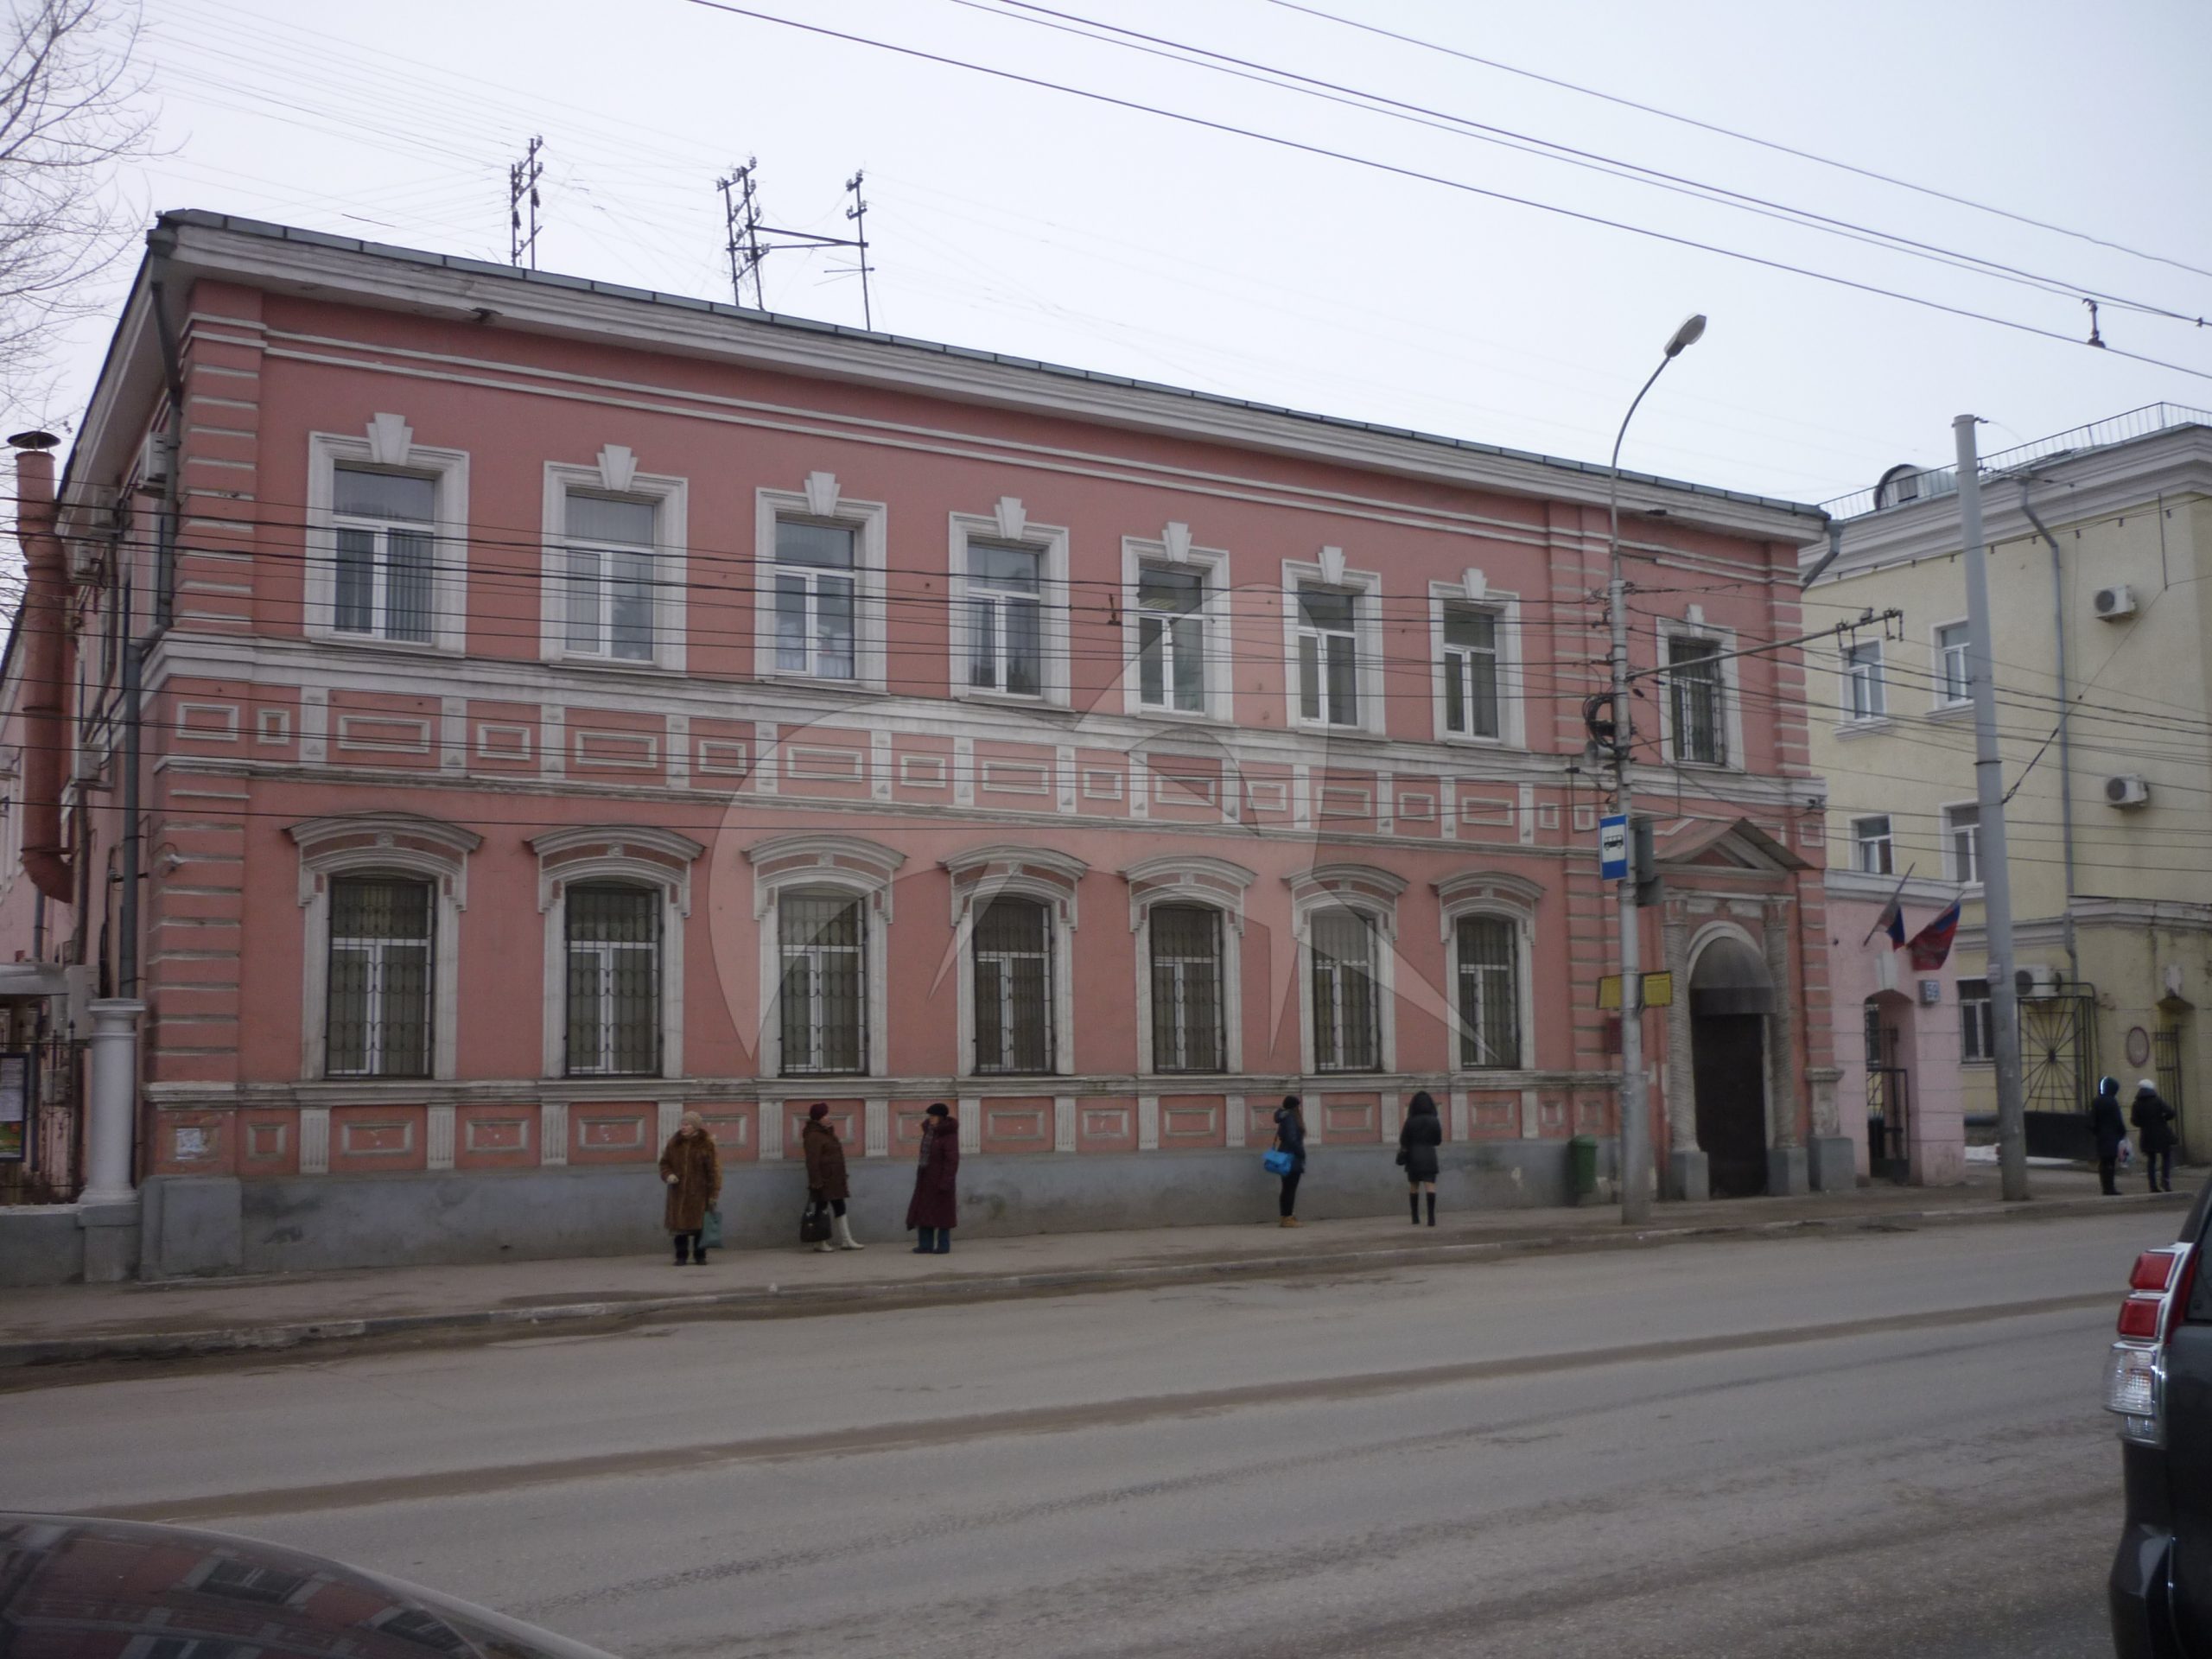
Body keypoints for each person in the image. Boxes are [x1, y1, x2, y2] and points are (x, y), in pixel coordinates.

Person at [658, 1110, 721, 1266]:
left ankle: (700, 1256)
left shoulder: (706, 1144)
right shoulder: (674, 1143)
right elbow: (664, 1163)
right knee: (679, 1229)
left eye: (687, 1124)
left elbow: (714, 1170)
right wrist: (668, 1175)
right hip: (678, 1194)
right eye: (682, 1124)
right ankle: (681, 1256)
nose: (683, 1127)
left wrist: (714, 1193)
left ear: (695, 1127)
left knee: (700, 1227)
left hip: (700, 1194)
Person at [802, 1103, 863, 1253]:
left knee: (839, 1206)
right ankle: (820, 1242)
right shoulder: (814, 1136)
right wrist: (816, 1181)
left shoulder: (827, 1133)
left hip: (834, 1178)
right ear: (818, 1118)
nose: (828, 1117)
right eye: (825, 1115)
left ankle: (846, 1239)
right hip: (823, 1180)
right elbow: (812, 1161)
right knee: (821, 1209)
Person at [906, 1103, 959, 1254]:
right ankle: (925, 1245)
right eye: (930, 1116)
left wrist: (946, 1181)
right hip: (926, 1178)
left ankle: (943, 1246)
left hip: (941, 1180)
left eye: (933, 1116)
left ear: (941, 1117)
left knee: (943, 1215)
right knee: (924, 1212)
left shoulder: (949, 1135)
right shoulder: (930, 1132)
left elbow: (952, 1160)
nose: (930, 1119)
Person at [1400, 1090, 1443, 1226]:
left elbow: (1403, 1140)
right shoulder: (1434, 1120)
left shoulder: (1410, 1121)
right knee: (1430, 1186)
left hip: (1413, 1156)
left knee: (1414, 1186)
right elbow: (1438, 1141)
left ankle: (1415, 1217)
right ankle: (1431, 1218)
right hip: (1429, 1156)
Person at [2132, 1078, 2178, 1194]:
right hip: (2162, 1133)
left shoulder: (2136, 1103)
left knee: (2151, 1160)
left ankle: (2153, 1186)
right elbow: (2171, 1112)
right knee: (2166, 1157)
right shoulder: (2157, 1100)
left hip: (2147, 1135)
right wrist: (2163, 1119)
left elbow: (2135, 1121)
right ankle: (2165, 1181)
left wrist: (2144, 1123)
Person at [1272, 1096, 1307, 1227]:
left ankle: (1285, 1217)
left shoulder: (1283, 1117)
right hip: (1292, 1158)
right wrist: (1301, 1153)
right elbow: (1293, 1140)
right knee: (1290, 1189)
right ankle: (1288, 1218)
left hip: (1284, 1155)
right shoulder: (1291, 1118)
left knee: (1286, 1188)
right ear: (1295, 1107)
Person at [2090, 1076, 2127, 1196]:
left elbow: (2092, 1120)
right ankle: (2110, 1188)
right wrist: (2122, 1133)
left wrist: (2096, 1132)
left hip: (2101, 1137)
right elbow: (2118, 1120)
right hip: (2113, 1137)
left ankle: (2105, 1187)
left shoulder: (2096, 1101)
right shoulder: (2113, 1102)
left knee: (2103, 1163)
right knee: (2111, 1163)